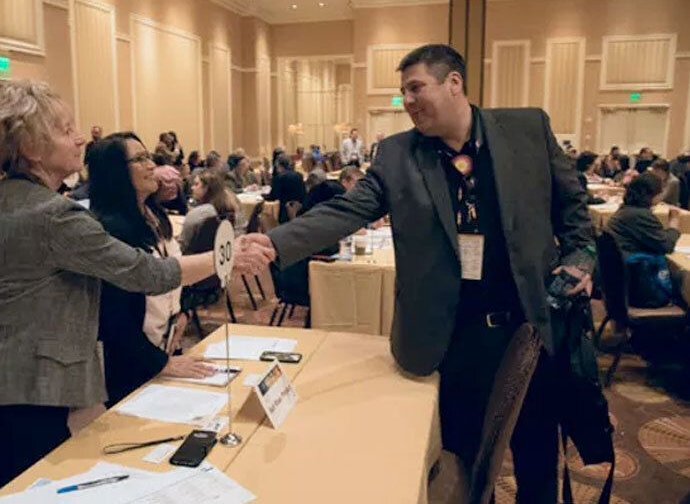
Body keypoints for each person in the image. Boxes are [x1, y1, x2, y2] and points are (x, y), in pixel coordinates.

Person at [243, 44, 596, 502]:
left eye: (416, 88)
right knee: (462, 462)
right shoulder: (397, 155)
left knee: (536, 458)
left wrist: (580, 257)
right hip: (452, 339)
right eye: (402, 91)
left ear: (454, 83)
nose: (407, 101)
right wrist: (276, 242)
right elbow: (347, 210)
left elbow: (573, 208)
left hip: (529, 329)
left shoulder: (527, 129)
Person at [0, 81, 273, 486]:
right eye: (65, 130)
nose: (81, 137)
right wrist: (228, 256)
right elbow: (146, 274)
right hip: (22, 390)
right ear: (31, 147)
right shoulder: (52, 216)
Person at [87, 135, 214, 406]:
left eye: (148, 157)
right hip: (133, 359)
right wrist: (159, 363)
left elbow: (178, 269)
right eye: (139, 159)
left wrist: (183, 312)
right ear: (115, 171)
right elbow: (114, 319)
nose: (150, 165)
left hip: (167, 340)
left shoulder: (155, 216)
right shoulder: (108, 230)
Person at [606, 173, 681, 307]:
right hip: (638, 288)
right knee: (681, 282)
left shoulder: (626, 210)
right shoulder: (639, 215)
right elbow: (667, 246)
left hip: (620, 284)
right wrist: (674, 222)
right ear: (652, 195)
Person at [180, 169, 242, 252]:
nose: (192, 188)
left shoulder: (197, 214)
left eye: (196, 184)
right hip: (225, 252)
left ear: (206, 188)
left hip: (195, 259)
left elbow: (183, 245)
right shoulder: (232, 205)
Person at [265, 154, 306, 224]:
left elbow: (274, 196)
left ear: (279, 166)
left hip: (284, 213)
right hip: (299, 209)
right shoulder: (299, 175)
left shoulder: (279, 178)